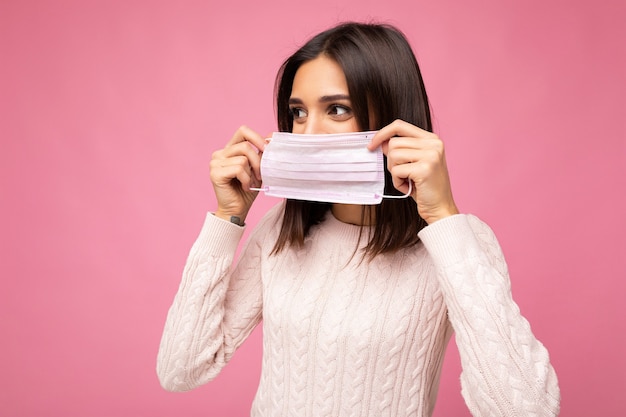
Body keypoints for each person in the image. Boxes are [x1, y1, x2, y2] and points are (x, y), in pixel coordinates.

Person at [157, 22, 560, 416]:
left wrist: (442, 218)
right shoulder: (282, 229)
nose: (308, 135)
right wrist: (226, 219)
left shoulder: (459, 240)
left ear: (392, 117)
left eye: (336, 109)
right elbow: (181, 370)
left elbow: (526, 409)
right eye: (297, 113)